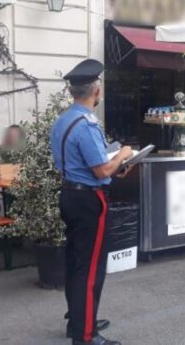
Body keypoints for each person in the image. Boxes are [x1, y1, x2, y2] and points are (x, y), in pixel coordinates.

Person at [51, 59, 134, 345]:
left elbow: (87, 164)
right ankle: (85, 335)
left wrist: (115, 165)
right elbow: (101, 170)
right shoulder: (86, 124)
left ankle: (78, 321)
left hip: (71, 194)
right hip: (88, 199)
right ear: (96, 91)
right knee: (90, 269)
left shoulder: (63, 120)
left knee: (76, 261)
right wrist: (123, 155)